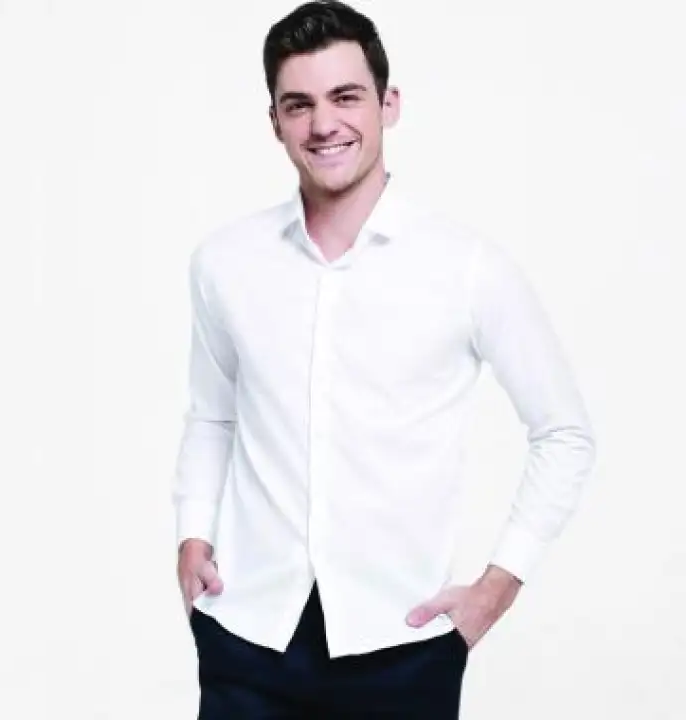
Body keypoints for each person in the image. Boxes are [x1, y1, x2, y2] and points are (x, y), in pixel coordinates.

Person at [173, 1, 596, 717]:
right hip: (245, 636)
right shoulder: (225, 262)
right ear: (275, 121)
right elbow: (213, 416)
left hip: (402, 648)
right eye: (299, 104)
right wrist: (192, 534)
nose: (324, 124)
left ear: (388, 105)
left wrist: (498, 587)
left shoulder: (467, 268)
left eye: (346, 97)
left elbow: (564, 433)